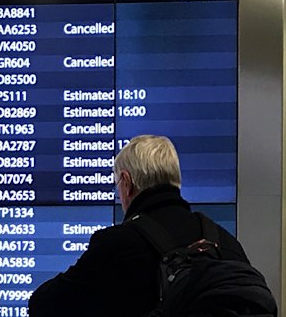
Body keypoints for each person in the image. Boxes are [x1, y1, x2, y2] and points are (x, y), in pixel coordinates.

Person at [28, 135, 250, 317]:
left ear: (127, 182)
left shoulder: (118, 245)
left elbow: (44, 305)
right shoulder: (226, 243)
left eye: (117, 184)